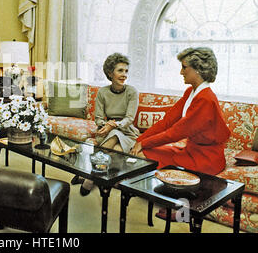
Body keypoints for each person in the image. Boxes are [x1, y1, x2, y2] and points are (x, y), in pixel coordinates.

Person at [131, 47, 230, 176]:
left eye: (184, 67)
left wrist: (143, 144)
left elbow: (175, 133)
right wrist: (139, 140)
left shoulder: (205, 99)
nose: (181, 72)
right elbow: (167, 122)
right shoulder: (191, 92)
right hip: (191, 151)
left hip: (205, 159)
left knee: (144, 153)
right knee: (143, 151)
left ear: (198, 70)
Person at [74, 53, 140, 196]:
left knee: (116, 135)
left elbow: (129, 118)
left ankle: (90, 176)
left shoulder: (132, 92)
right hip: (107, 131)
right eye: (120, 70)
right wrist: (106, 125)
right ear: (110, 73)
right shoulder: (102, 92)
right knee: (115, 147)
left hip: (127, 131)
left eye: (126, 71)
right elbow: (98, 118)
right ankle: (103, 180)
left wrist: (114, 125)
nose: (124, 75)